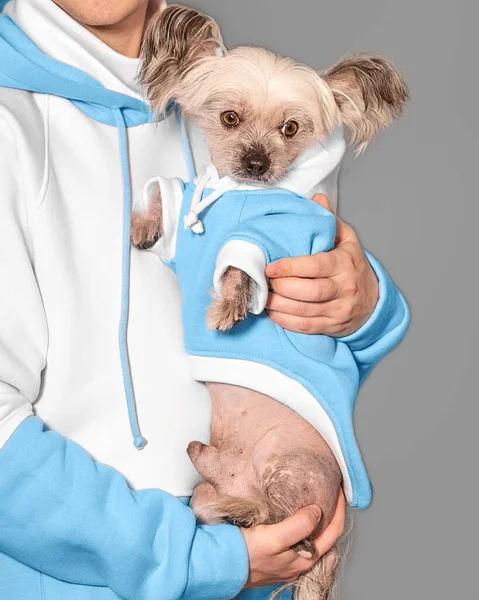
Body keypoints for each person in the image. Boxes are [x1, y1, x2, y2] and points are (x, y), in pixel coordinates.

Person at [0, 1, 404, 599]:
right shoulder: (12, 126)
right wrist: (195, 557)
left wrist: (366, 309)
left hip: (263, 571)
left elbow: (288, 354)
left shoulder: (244, 97)